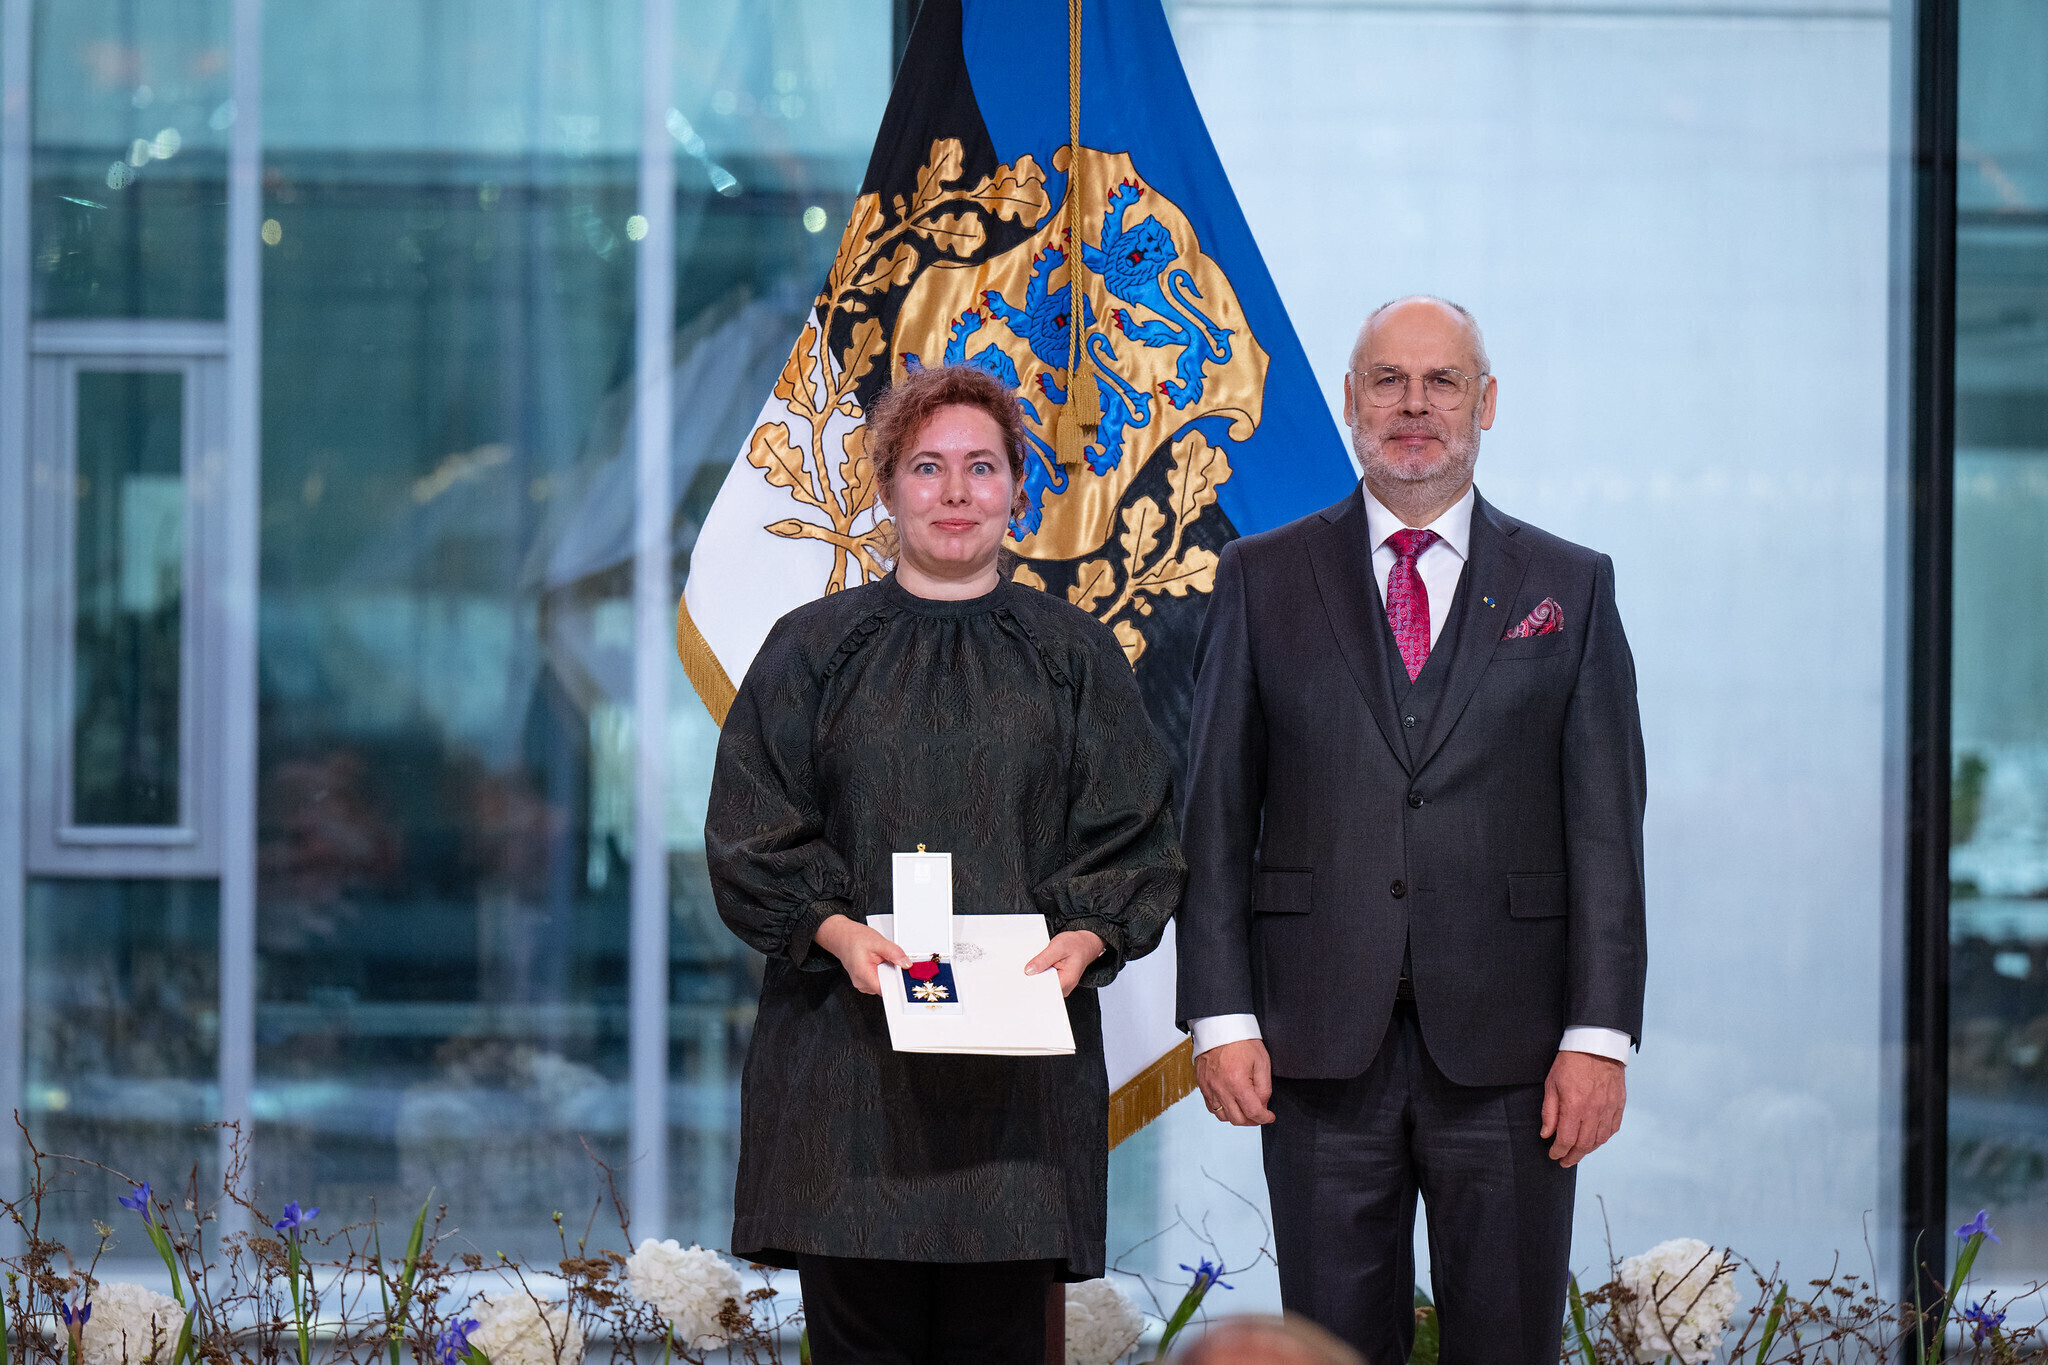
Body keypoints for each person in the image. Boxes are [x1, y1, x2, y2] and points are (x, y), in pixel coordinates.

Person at [1175, 296, 1647, 1364]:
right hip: (1312, 1050)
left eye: (1442, 381)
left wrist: (1598, 1037)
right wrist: (1220, 1016)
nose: (1414, 404)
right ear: (1351, 401)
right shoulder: (1259, 576)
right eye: (1387, 380)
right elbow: (1214, 813)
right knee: (1330, 1349)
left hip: (1517, 1057)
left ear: (1486, 403)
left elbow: (1607, 832)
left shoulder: (1569, 585)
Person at [705, 362, 1186, 1365]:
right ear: (887, 488)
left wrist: (1087, 935)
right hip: (848, 1083)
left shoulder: (1076, 655)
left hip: (1016, 1101)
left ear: (1018, 488)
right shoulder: (811, 648)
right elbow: (752, 831)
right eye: (927, 467)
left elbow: (1136, 832)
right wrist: (835, 930)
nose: (955, 492)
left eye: (981, 466)